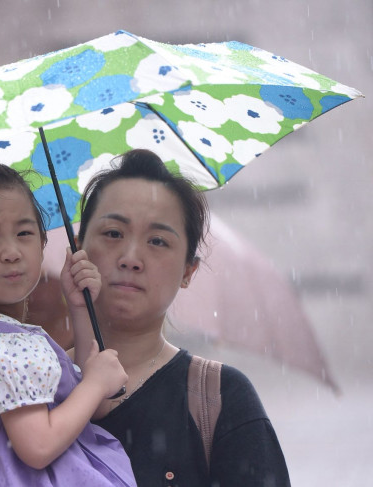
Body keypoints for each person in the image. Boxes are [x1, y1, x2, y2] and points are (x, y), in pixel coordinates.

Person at [69, 149, 290, 486]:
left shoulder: (219, 398)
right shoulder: (25, 383)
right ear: (77, 248)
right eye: (114, 233)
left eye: (157, 241)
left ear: (188, 270)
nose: (130, 258)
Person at [0, 157, 137, 486]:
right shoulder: (2, 344)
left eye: (24, 232)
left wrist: (79, 309)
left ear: (42, 242)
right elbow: (38, 445)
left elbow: (69, 398)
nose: (12, 251)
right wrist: (96, 384)